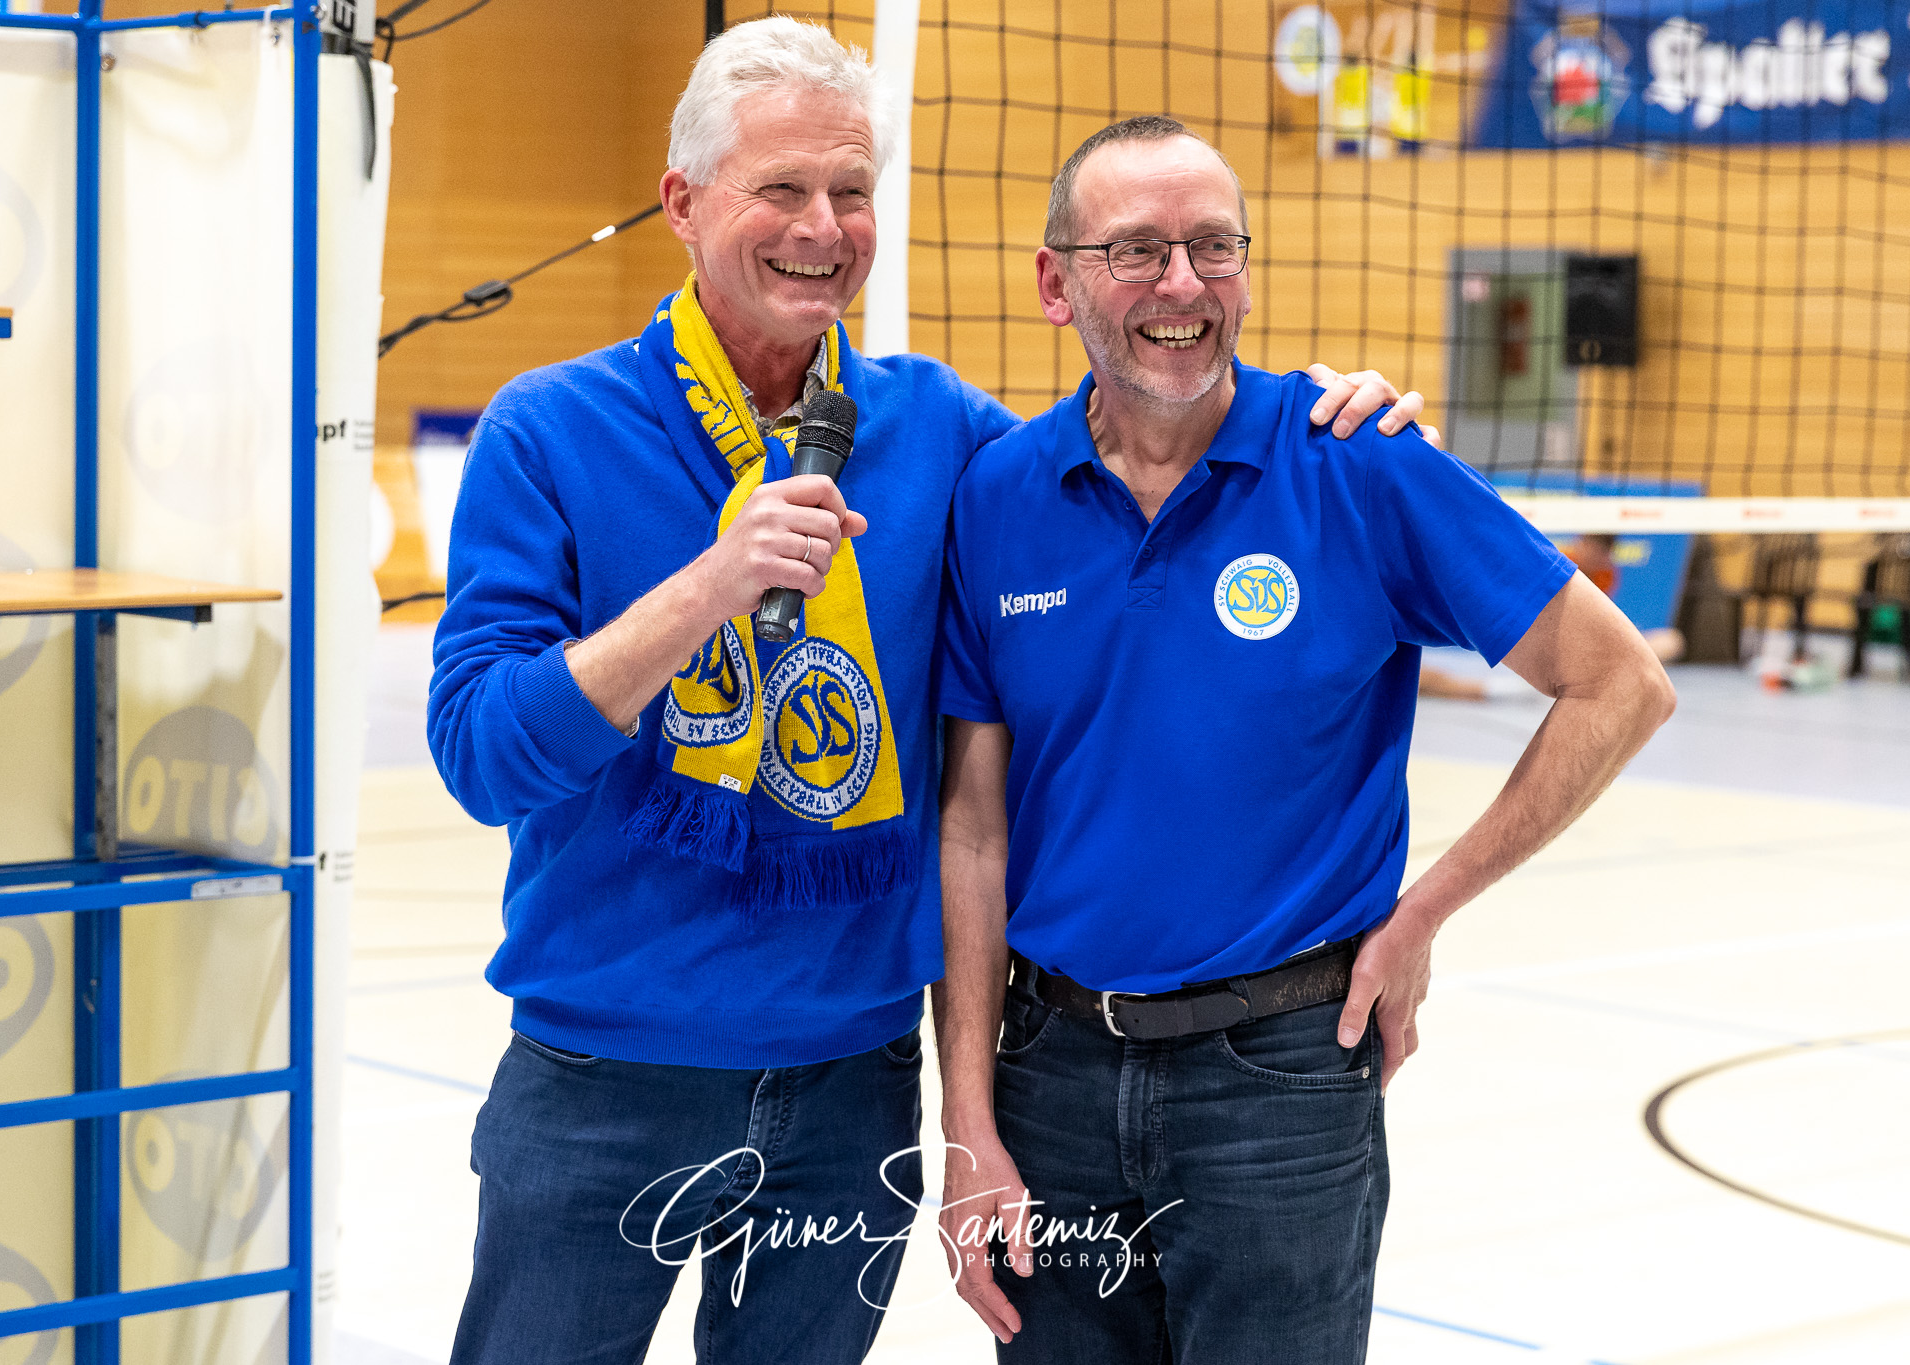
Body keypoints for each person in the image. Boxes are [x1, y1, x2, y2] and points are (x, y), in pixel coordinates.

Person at [428, 21, 1429, 1363]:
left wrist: (1323, 418)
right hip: (605, 1076)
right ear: (683, 203)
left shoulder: (939, 430)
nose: (822, 227)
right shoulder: (549, 429)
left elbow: (1131, 466)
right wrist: (705, 589)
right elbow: (483, 757)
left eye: (851, 191)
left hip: (849, 1085)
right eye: (781, 189)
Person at [933, 116, 1677, 1362]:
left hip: (1276, 1083)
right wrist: (966, 1115)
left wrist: (1423, 910)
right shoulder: (997, 495)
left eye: (1212, 246)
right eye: (1136, 250)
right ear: (1056, 284)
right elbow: (970, 828)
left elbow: (1619, 684)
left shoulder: (1357, 465)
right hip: (1046, 1076)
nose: (1182, 284)